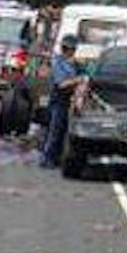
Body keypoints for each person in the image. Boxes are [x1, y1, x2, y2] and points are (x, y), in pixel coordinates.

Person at [40, 35, 84, 168]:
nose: (72, 52)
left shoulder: (73, 63)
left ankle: (56, 158)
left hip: (67, 100)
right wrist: (78, 80)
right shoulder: (57, 63)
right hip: (58, 99)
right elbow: (61, 84)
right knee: (54, 130)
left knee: (62, 130)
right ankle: (47, 159)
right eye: (71, 49)